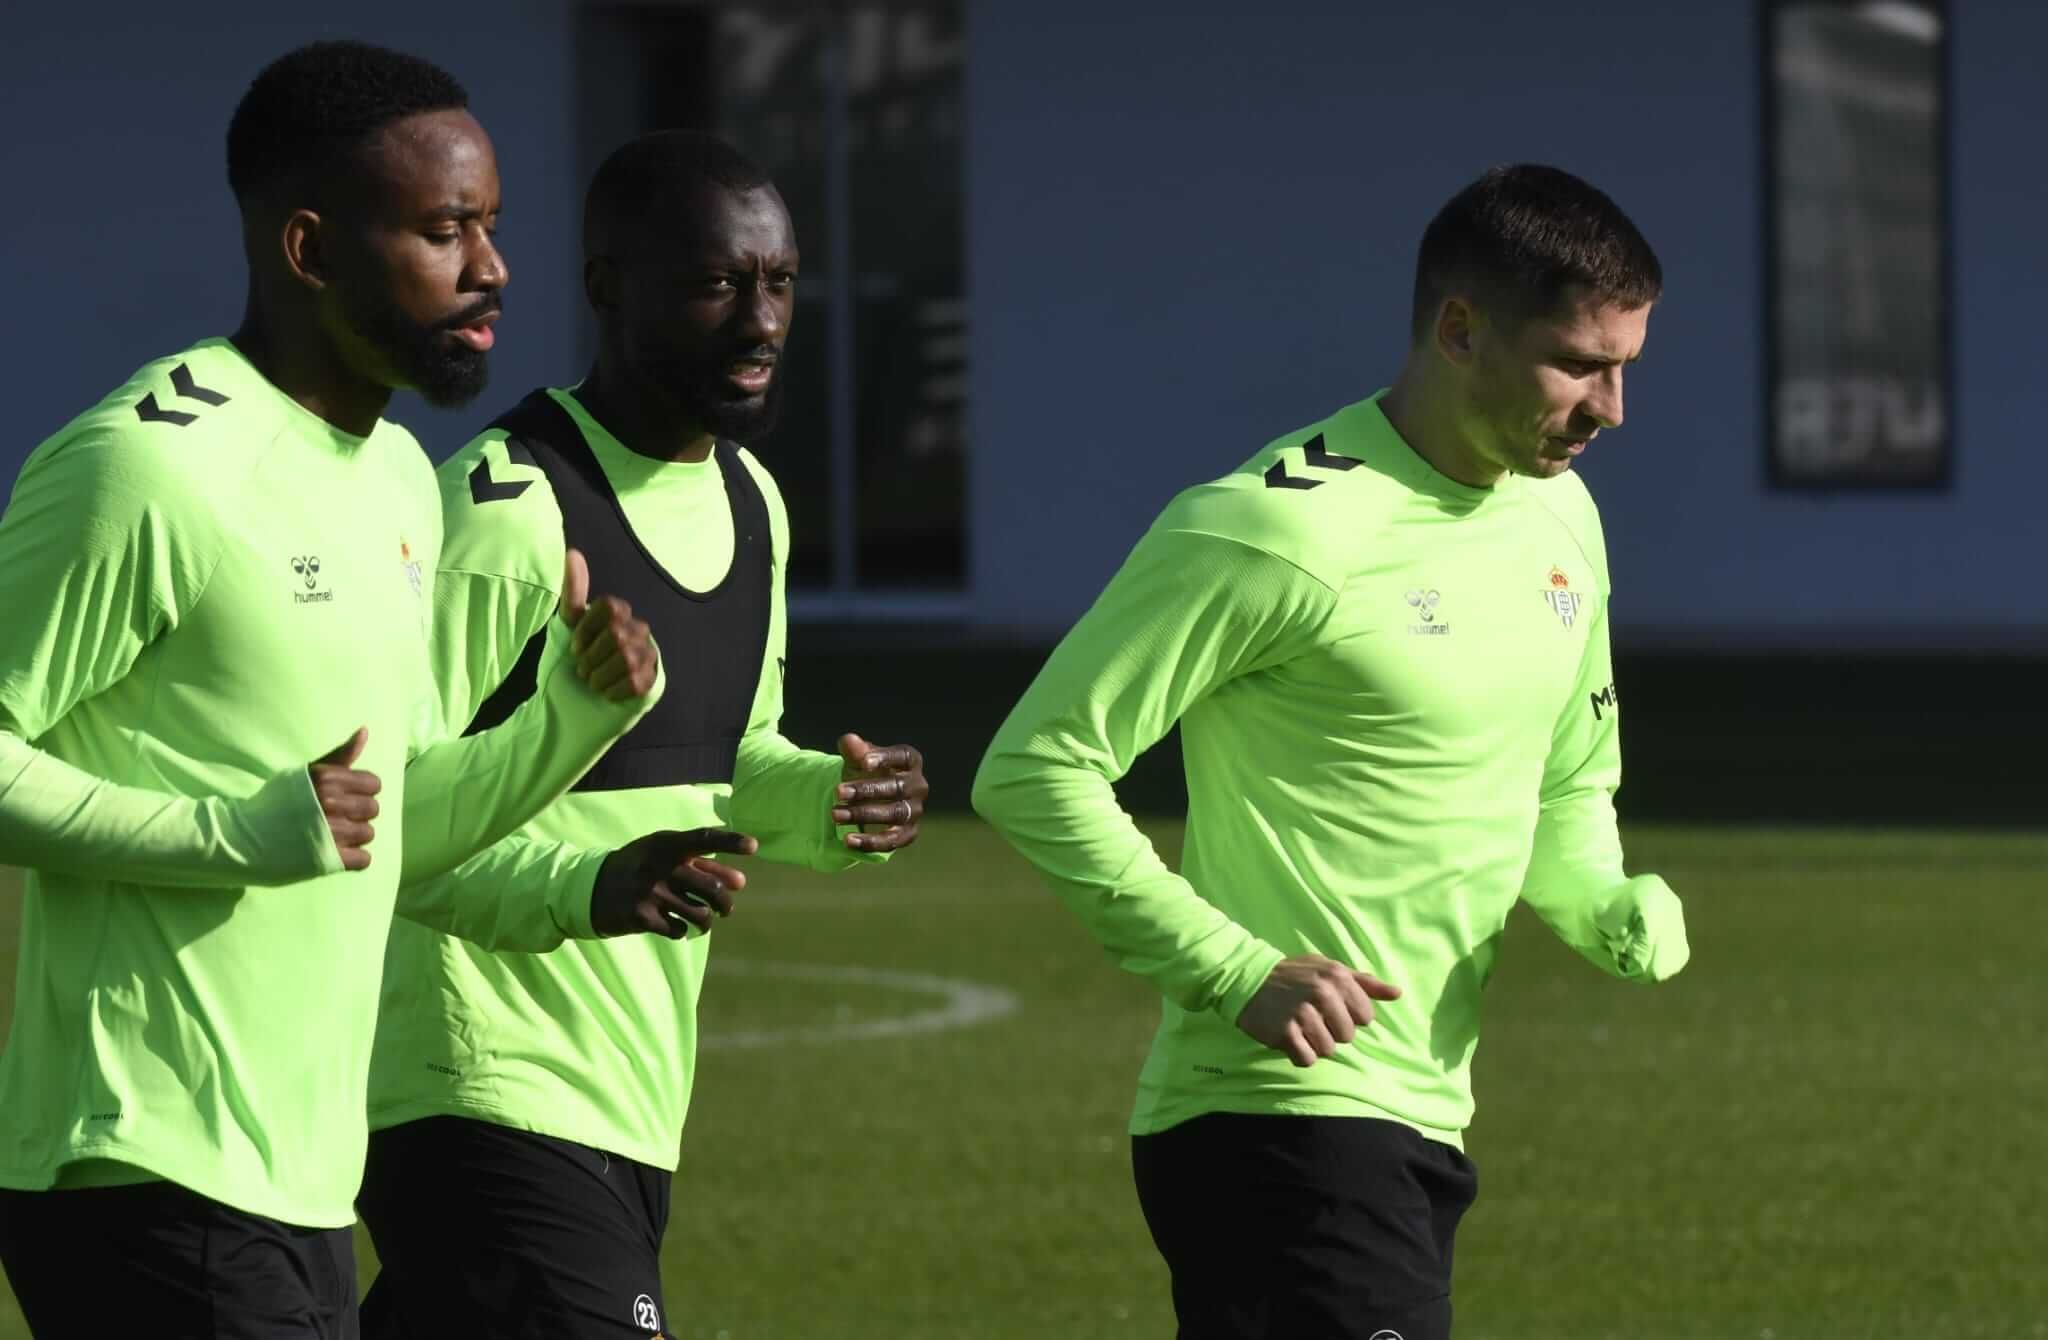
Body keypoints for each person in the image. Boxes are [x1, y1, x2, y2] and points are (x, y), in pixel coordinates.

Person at [0, 41, 671, 1338]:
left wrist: (572, 721)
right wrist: (234, 835)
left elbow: (401, 824)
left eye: (490, 226)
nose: (493, 270)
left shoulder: (400, 481)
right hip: (140, 1161)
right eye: (444, 231)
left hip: (307, 1182)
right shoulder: (147, 471)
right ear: (309, 250)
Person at [972, 164, 1691, 1340]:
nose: (1609, 408)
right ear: (1457, 329)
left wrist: (1601, 898)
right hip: (1269, 1117)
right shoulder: (1273, 527)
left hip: (1423, 1108)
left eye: (1623, 366)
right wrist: (1232, 969)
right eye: (1577, 363)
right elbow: (1034, 766)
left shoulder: (1560, 515)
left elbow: (1563, 776)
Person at [356, 130, 929, 1339]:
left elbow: (735, 756)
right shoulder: (506, 509)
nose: (761, 320)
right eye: (718, 283)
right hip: (475, 1087)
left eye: (778, 282)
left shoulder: (751, 499)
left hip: (628, 1092)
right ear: (609, 285)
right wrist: (590, 885)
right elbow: (394, 819)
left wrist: (836, 800)